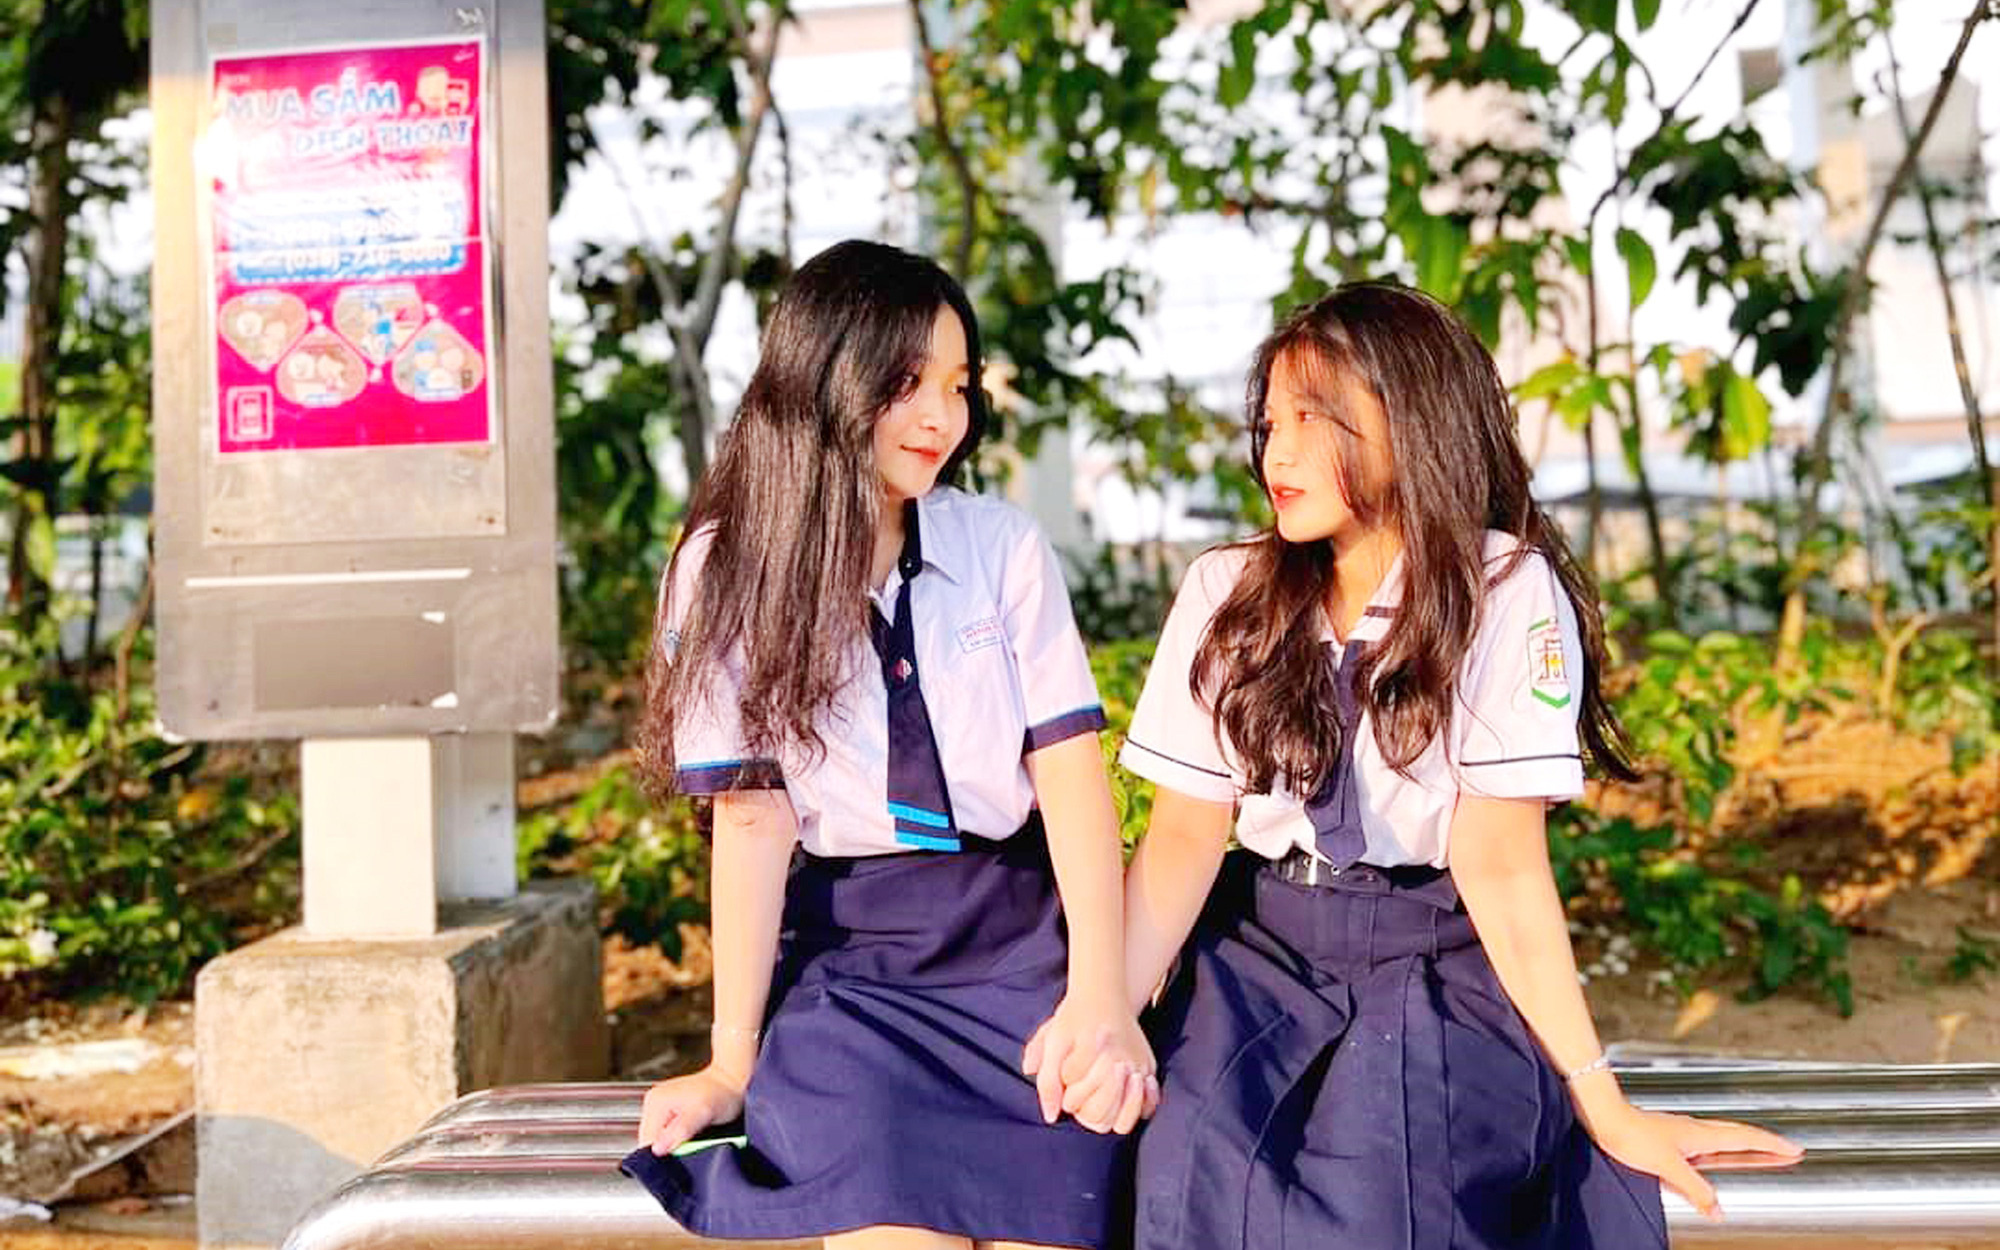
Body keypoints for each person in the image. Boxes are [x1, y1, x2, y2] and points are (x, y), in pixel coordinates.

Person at [1100, 282, 1801, 1249]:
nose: (1277, 454)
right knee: (1186, 1171)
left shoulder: (1501, 587)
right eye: (1269, 424)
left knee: (1381, 1205)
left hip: (1433, 959)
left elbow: (1501, 864)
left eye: (1313, 420)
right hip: (1256, 951)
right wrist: (1108, 1016)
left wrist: (1601, 1099)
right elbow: (1184, 835)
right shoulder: (1230, 589)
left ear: (1412, 421)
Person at [620, 239, 1154, 1250]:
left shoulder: (1001, 547)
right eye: (907, 383)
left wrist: (1098, 994)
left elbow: (1071, 780)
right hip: (851, 966)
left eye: (957, 385)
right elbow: (751, 823)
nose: (941, 417)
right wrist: (730, 1060)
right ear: (825, 378)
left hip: (1018, 949)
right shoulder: (724, 570)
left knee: (1056, 1222)